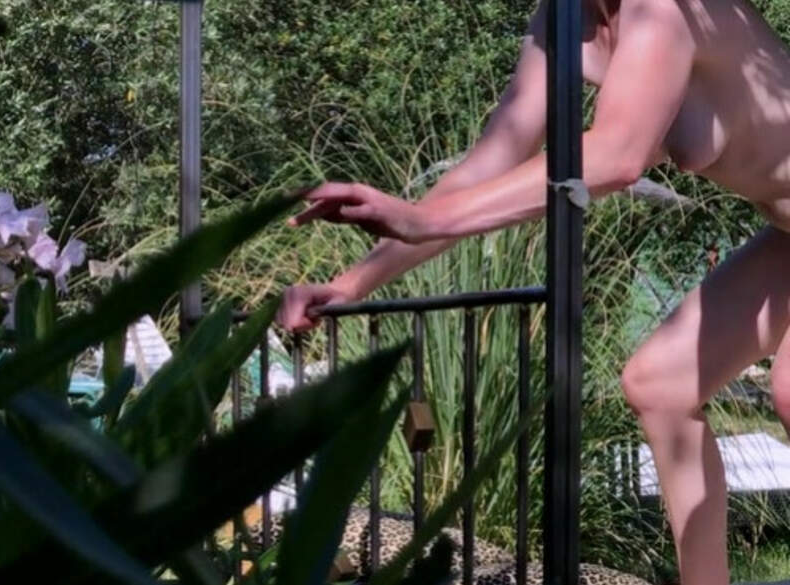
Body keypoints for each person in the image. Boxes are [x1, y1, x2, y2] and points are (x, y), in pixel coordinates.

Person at [276, 1, 790, 583]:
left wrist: (425, 220)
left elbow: (617, 155)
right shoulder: (562, 20)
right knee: (661, 387)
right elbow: (489, 164)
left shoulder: (660, 10)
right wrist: (350, 283)